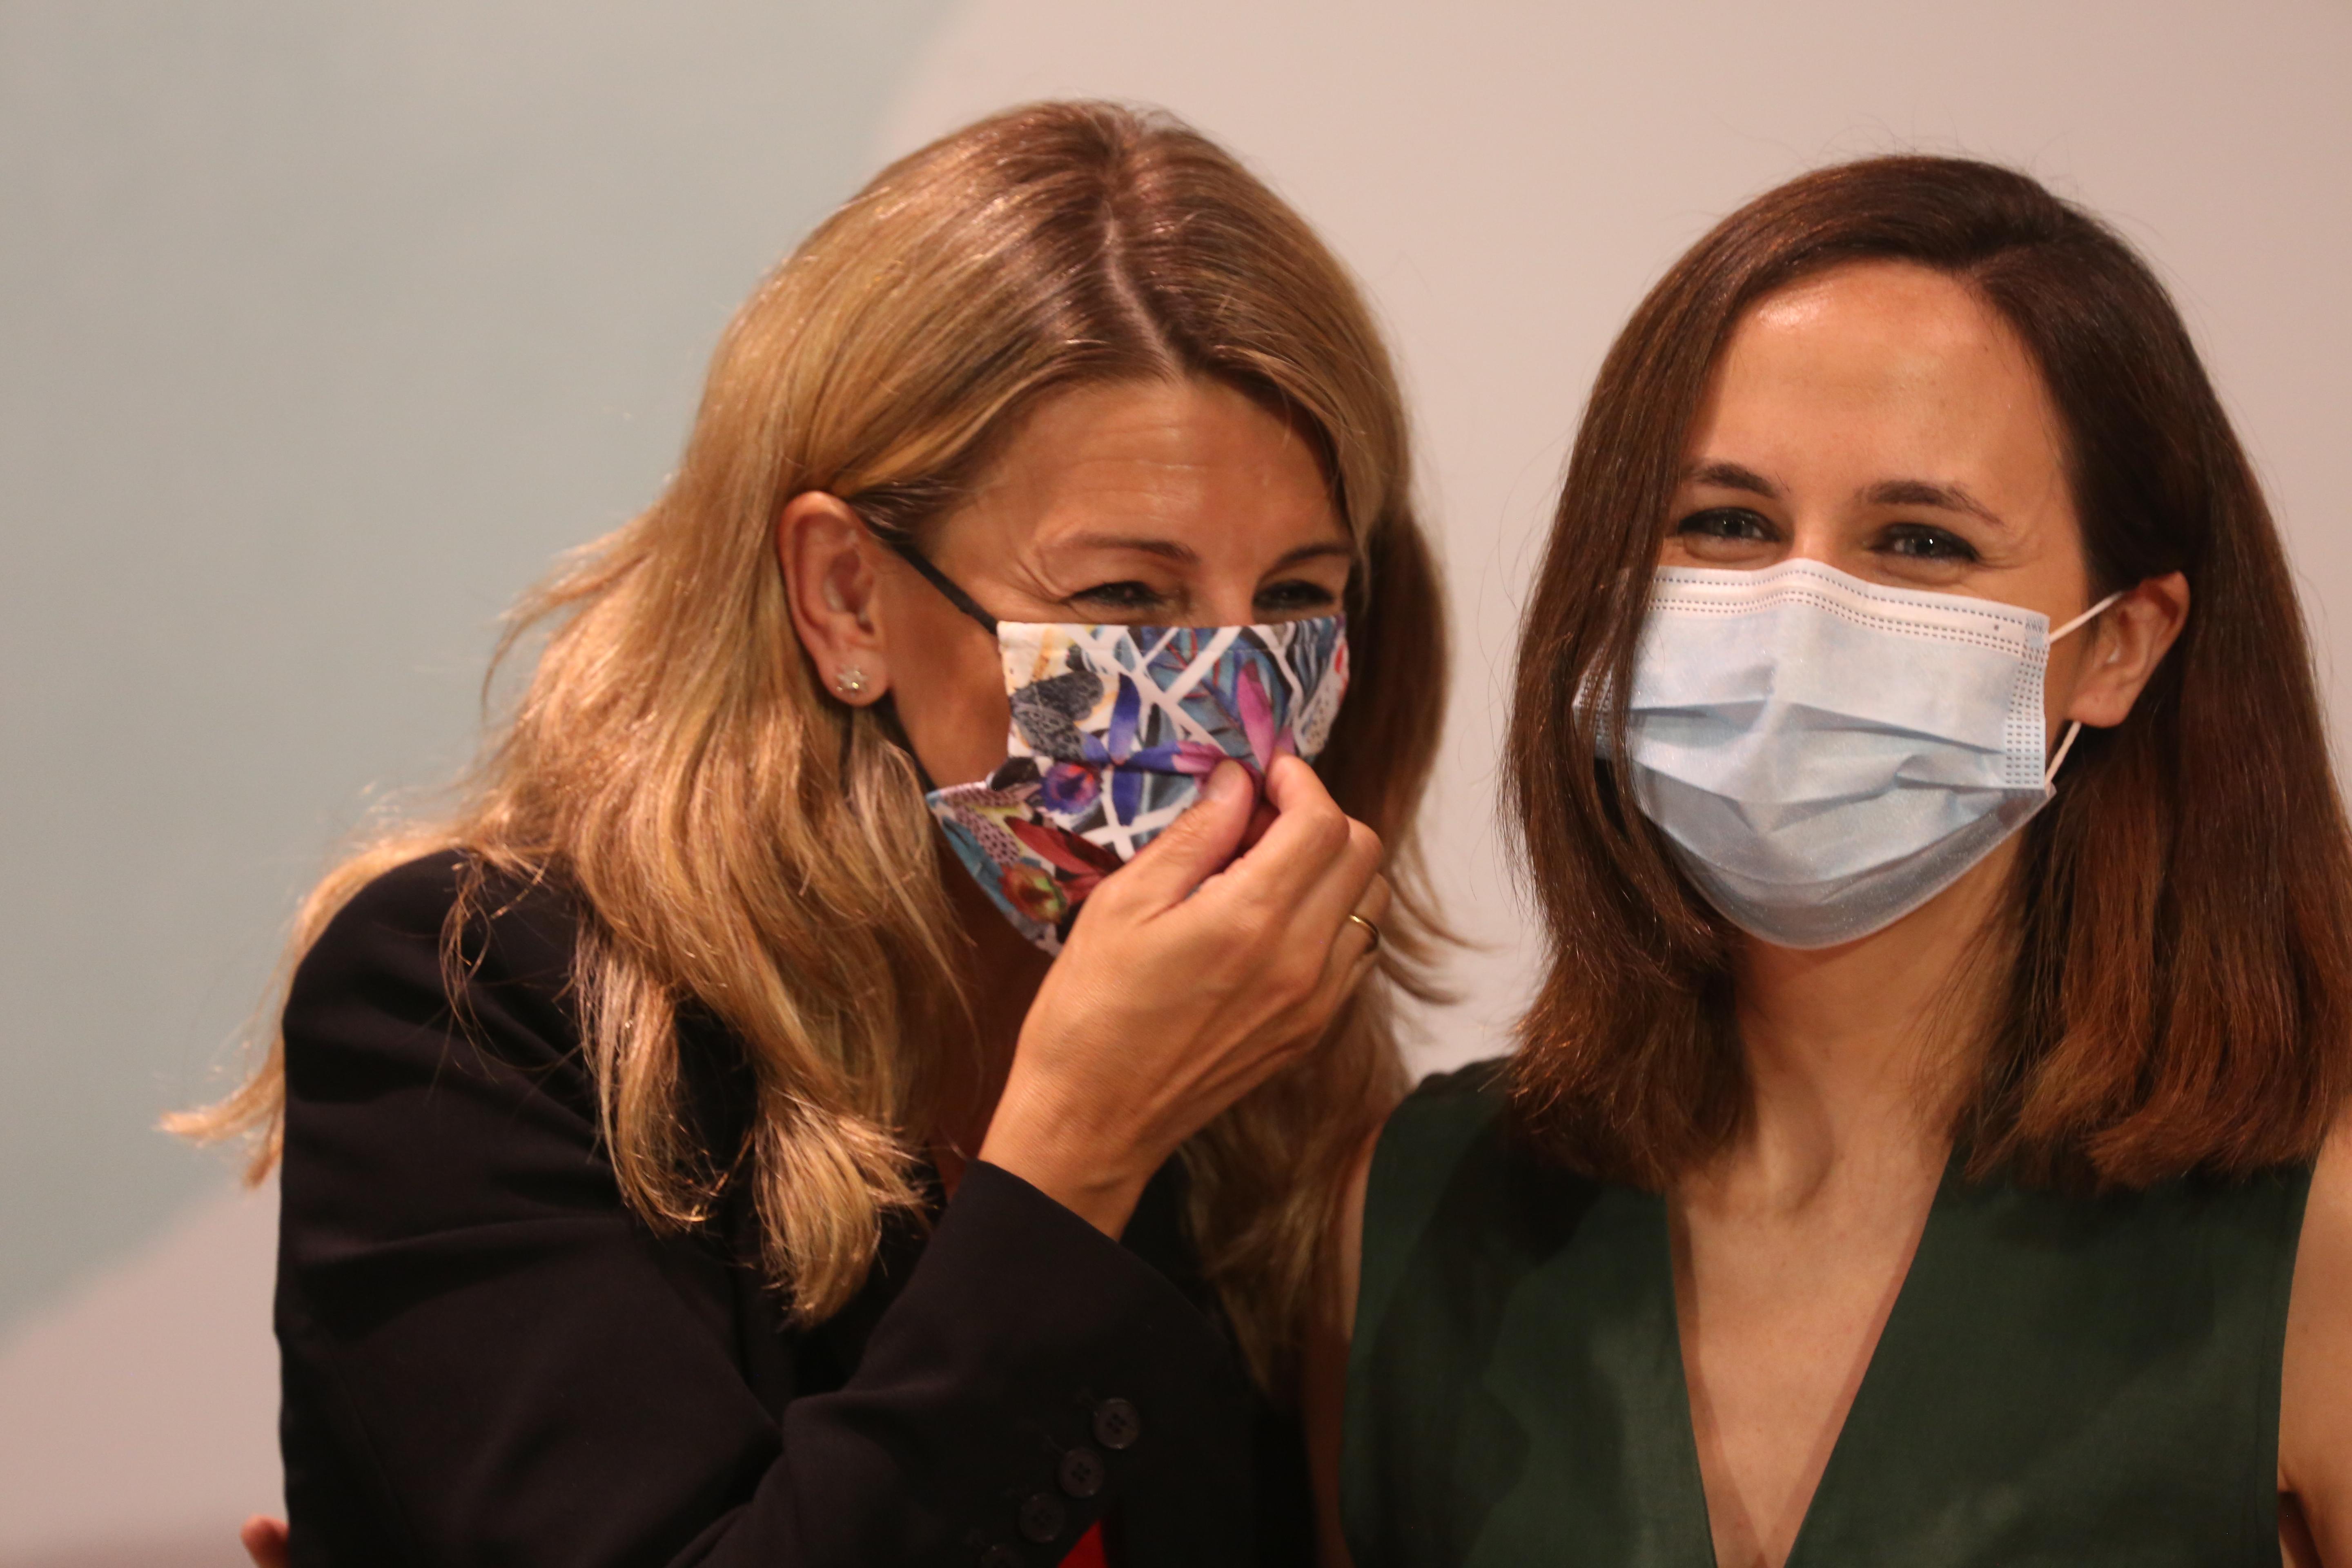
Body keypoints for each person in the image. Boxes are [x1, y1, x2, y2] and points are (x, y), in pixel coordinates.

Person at [179, 99, 1451, 1568]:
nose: (1233, 703)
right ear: (848, 596)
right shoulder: (483, 1008)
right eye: (1124, 604)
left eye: (1295, 599)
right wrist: (1072, 1162)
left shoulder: (1272, 1093)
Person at [1312, 155, 2352, 1566]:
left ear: (2122, 643)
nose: (1799, 613)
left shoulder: (2313, 1225)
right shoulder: (1425, 1204)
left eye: (1921, 541)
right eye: (1726, 524)